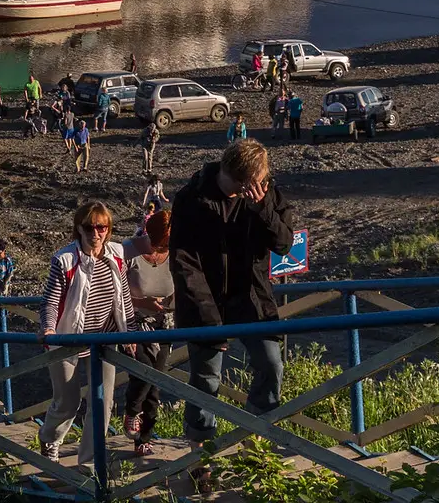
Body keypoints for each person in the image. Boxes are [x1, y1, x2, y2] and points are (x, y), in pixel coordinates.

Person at [171, 139, 296, 495]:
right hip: (203, 303)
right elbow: (184, 265)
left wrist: (262, 210)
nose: (265, 183)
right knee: (205, 379)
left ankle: (254, 442)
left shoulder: (266, 194)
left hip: (254, 299)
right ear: (241, 179)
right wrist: (210, 320)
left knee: (272, 364)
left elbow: (285, 243)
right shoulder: (191, 198)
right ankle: (200, 459)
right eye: (259, 180)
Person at [38, 201, 133, 461]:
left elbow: (123, 295)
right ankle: (50, 438)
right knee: (67, 402)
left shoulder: (116, 254)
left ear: (109, 229)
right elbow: (50, 300)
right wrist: (48, 328)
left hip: (103, 339)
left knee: (103, 403)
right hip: (68, 338)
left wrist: (130, 332)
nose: (95, 233)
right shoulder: (65, 259)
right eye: (89, 227)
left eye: (101, 227)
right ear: (78, 229)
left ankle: (89, 463)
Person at [122, 208, 175, 456]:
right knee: (145, 372)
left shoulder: (175, 254)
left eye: (164, 246)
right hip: (134, 321)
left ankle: (144, 436)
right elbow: (115, 292)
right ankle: (132, 410)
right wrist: (142, 303)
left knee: (156, 382)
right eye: (158, 243)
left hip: (164, 324)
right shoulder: (129, 251)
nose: (158, 250)